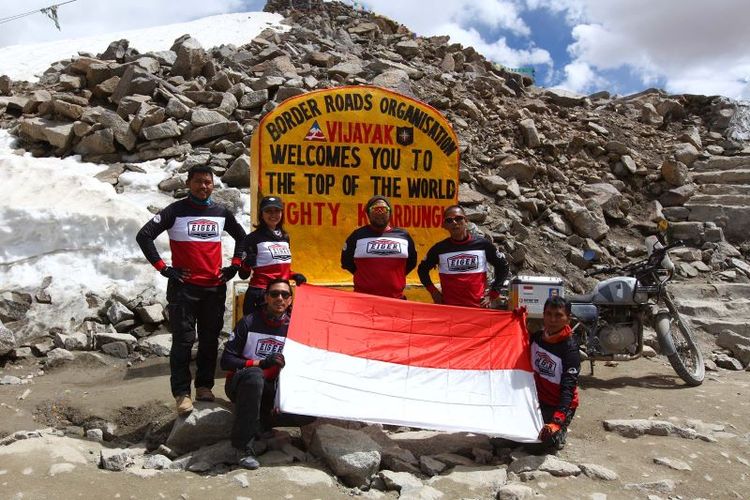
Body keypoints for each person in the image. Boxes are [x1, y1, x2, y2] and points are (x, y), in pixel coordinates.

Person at [136, 165, 246, 416]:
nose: (203, 186)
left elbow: (242, 237)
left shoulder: (221, 212)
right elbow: (144, 235)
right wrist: (164, 268)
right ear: (188, 183)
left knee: (209, 340)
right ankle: (182, 394)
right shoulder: (175, 211)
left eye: (208, 182)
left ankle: (205, 387)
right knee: (183, 342)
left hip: (214, 288)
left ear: (213, 185)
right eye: (198, 182)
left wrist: (234, 266)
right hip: (183, 289)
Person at [220, 279, 292, 470]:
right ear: (266, 297)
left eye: (285, 295)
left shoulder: (294, 328)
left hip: (271, 389)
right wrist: (259, 363)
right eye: (275, 294)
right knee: (254, 376)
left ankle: (263, 423)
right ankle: (243, 446)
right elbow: (226, 361)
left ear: (290, 300)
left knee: (306, 415)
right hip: (242, 383)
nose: (280, 298)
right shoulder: (249, 322)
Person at [417, 205, 509, 308]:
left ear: (466, 221)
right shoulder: (439, 249)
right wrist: (433, 292)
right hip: (450, 309)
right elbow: (422, 270)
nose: (454, 222)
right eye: (449, 220)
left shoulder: (483, 245)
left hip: (478, 309)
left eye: (458, 218)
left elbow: (503, 267)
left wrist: (493, 293)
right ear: (445, 225)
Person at [238, 196, 305, 315]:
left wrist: (294, 275)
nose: (273, 214)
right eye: (268, 211)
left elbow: (282, 269)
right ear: (261, 214)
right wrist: (247, 264)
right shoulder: (252, 238)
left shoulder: (285, 237)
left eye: (277, 211)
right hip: (260, 294)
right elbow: (243, 274)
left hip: (282, 294)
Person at [340, 195, 417, 299]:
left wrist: (395, 277)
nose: (380, 212)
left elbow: (412, 262)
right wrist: (364, 276)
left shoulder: (404, 236)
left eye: (384, 209)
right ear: (368, 213)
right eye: (375, 209)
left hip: (396, 301)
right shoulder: (357, 236)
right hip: (363, 301)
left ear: (390, 213)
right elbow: (346, 262)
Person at [530, 296, 580, 451]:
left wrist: (558, 419)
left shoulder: (570, 350)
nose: (552, 319)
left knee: (541, 444)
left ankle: (560, 433)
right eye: (548, 314)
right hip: (536, 400)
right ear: (543, 315)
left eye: (558, 315)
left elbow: (568, 388)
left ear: (568, 319)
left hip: (558, 405)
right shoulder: (537, 338)